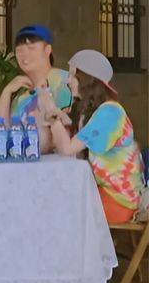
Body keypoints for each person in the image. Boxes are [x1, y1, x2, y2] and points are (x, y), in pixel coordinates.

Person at [40, 50, 145, 224]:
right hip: (102, 191)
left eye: (73, 75)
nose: (68, 80)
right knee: (54, 201)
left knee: (58, 210)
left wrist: (51, 110)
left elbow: (67, 149)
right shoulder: (92, 112)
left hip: (119, 200)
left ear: (87, 79)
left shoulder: (110, 112)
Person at [0, 24, 71, 151]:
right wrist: (7, 92)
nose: (24, 55)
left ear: (47, 50)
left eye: (31, 48)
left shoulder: (65, 82)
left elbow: (69, 130)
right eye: (19, 50)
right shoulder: (21, 91)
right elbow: (0, 132)